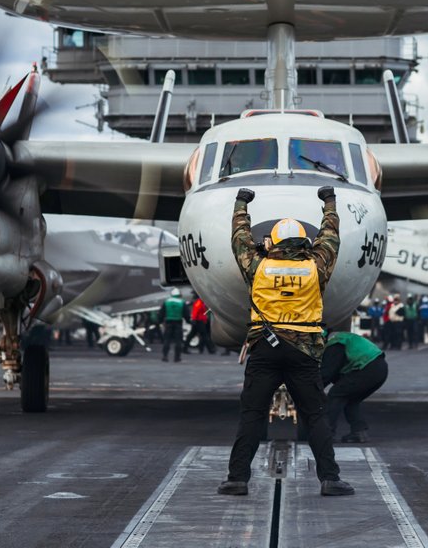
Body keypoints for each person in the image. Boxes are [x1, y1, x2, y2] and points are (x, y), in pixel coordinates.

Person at [218, 185, 353, 497]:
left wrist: (242, 203)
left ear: (273, 242)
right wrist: (328, 202)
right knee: (315, 414)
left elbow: (238, 237)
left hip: (265, 349)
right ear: (304, 242)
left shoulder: (258, 266)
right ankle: (330, 479)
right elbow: (331, 235)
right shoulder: (316, 266)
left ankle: (237, 478)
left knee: (252, 414)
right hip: (304, 350)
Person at [320, 329, 389, 443]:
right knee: (351, 400)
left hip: (368, 368)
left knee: (335, 395)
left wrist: (311, 390)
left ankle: (327, 434)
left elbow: (327, 373)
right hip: (380, 368)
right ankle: (359, 432)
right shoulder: (342, 338)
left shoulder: (335, 344)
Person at [160, 288, 186, 362]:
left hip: (168, 323)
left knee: (167, 340)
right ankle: (177, 358)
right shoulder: (182, 302)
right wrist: (189, 321)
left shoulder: (166, 302)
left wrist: (160, 321)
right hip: (178, 323)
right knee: (178, 341)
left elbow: (161, 313)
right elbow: (186, 314)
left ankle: (165, 356)